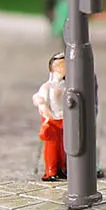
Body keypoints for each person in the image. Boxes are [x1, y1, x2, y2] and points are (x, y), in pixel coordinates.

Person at [32, 53, 67, 182]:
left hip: (64, 119)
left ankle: (62, 168)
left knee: (64, 146)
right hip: (52, 120)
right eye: (61, 66)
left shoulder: (66, 85)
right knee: (52, 147)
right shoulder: (47, 87)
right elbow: (40, 101)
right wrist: (47, 115)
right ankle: (51, 170)